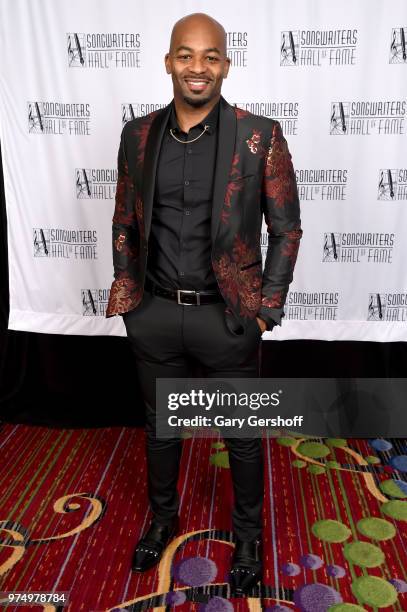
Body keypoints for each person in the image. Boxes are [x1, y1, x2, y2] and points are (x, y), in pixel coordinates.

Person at [106, 12, 302, 595]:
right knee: (162, 428)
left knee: (240, 435)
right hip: (157, 313)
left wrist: (265, 308)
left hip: (228, 316)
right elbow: (123, 221)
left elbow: (286, 228)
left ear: (225, 64)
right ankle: (163, 518)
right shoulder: (136, 136)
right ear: (169, 61)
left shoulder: (257, 135)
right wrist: (132, 301)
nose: (198, 67)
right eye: (186, 55)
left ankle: (247, 536)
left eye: (210, 56)